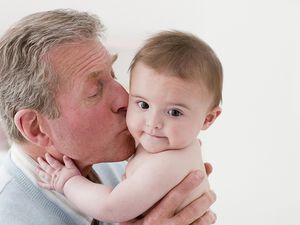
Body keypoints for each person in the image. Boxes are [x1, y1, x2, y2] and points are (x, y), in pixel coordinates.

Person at [0, 9, 216, 225]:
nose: (125, 98)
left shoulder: (117, 163)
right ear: (35, 127)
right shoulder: (10, 215)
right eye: (95, 91)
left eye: (113, 74)